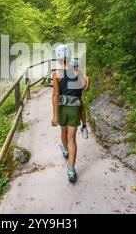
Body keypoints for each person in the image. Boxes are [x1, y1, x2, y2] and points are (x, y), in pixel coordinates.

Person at [51, 44, 84, 183]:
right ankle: (71, 169)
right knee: (72, 139)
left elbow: (55, 95)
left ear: (57, 57)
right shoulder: (77, 71)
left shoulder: (56, 74)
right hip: (74, 108)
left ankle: (64, 150)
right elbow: (82, 88)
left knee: (63, 133)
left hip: (62, 108)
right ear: (69, 56)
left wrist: (54, 115)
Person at [69, 58, 90, 139]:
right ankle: (83, 127)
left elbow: (85, 87)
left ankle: (84, 127)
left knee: (81, 110)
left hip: (76, 97)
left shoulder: (79, 73)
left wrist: (86, 83)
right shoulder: (67, 74)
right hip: (68, 98)